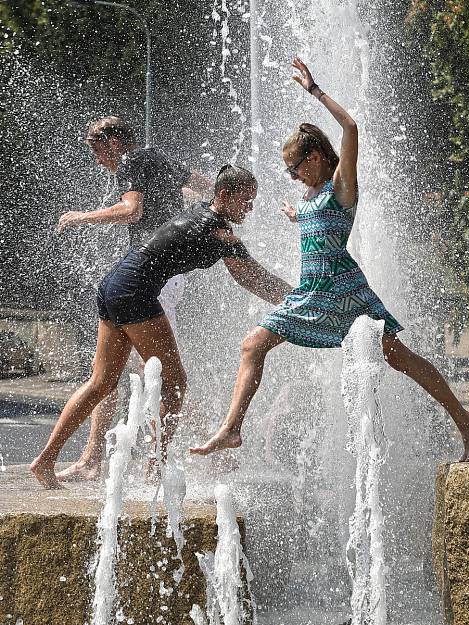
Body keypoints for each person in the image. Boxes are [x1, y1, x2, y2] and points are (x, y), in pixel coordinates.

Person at [190, 59, 469, 462]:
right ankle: (232, 429)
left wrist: (315, 91)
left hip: (344, 291)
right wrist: (298, 215)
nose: (292, 177)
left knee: (400, 358)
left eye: (294, 168)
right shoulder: (310, 198)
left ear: (315, 157)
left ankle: (464, 418)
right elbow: (316, 227)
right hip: (312, 292)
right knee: (254, 343)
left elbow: (351, 129)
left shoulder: (342, 185)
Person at [30, 165, 291, 488]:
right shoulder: (217, 233)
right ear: (224, 196)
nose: (249, 209)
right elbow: (256, 279)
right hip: (135, 293)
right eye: (245, 201)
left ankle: (45, 460)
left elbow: (245, 277)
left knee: (101, 382)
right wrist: (299, 298)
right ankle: (155, 468)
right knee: (176, 382)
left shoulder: (202, 213)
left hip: (114, 284)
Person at [55, 116, 213, 482]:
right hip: (161, 278)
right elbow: (206, 188)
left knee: (159, 374)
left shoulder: (132, 161)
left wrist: (82, 217)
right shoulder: (155, 158)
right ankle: (93, 458)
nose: (97, 160)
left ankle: (211, 442)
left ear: (112, 142)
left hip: (153, 281)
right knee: (115, 372)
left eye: (96, 149)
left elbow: (132, 210)